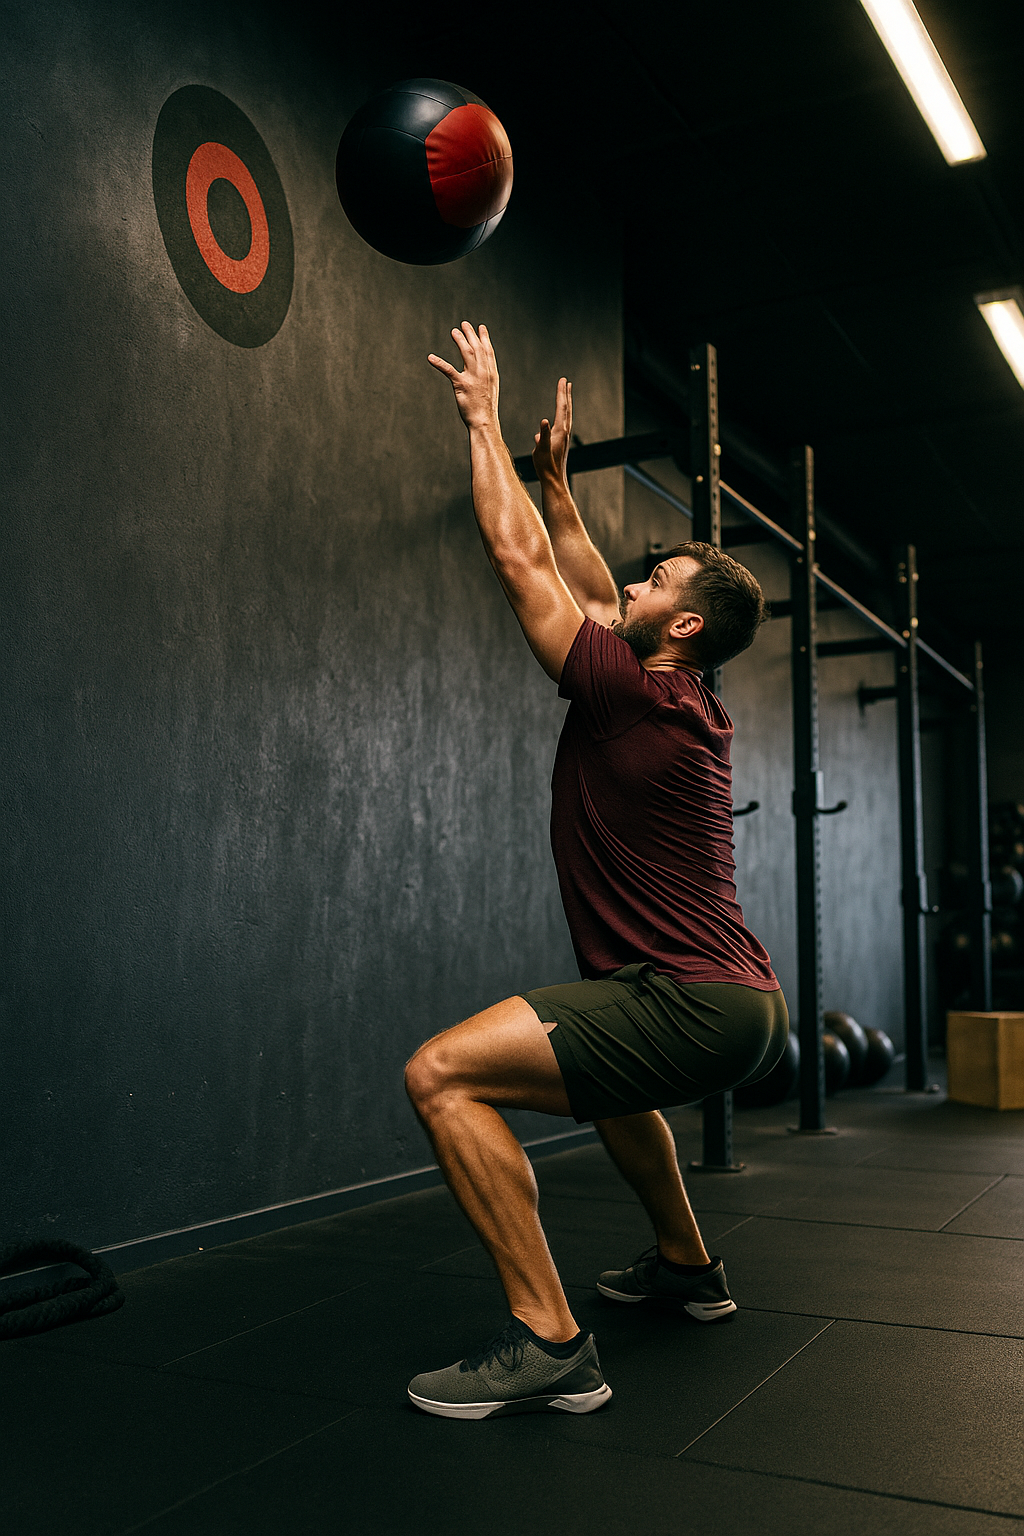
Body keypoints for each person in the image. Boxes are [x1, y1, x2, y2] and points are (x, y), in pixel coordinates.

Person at [404, 322, 787, 1421]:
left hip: (691, 1002)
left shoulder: (629, 690)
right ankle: (685, 1265)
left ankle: (550, 1342)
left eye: (653, 576)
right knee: (610, 1091)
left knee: (442, 1076)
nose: (629, 579)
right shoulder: (680, 692)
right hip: (736, 1005)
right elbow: (579, 568)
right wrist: (559, 482)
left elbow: (522, 563)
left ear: (681, 622)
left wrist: (479, 419)